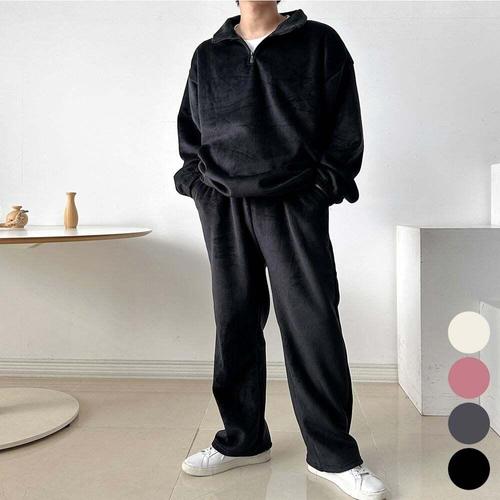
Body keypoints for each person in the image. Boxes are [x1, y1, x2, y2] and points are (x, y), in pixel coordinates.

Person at [174, 2, 387, 499]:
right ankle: (242, 440)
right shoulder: (208, 55)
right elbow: (190, 132)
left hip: (294, 201)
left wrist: (320, 189)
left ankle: (332, 454)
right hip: (223, 204)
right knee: (234, 321)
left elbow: (345, 127)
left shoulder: (320, 43)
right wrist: (198, 186)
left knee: (312, 322)